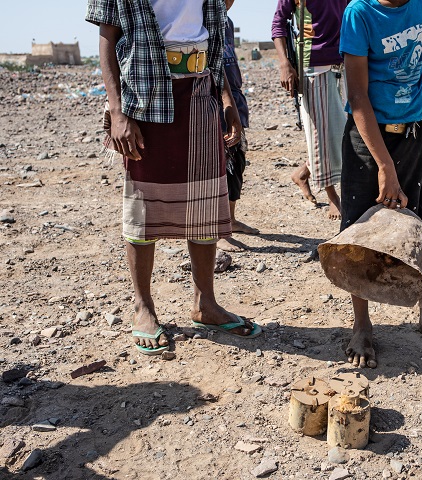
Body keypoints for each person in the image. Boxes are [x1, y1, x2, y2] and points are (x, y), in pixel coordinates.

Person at [87, 0, 261, 355]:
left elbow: (213, 36)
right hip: (146, 98)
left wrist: (227, 98)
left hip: (200, 92)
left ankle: (205, 304)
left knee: (205, 204)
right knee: (144, 206)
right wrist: (118, 111)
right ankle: (144, 307)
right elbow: (108, 37)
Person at [339, 0, 422, 368]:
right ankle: (362, 326)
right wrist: (384, 166)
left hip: (412, 134)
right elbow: (358, 95)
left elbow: (419, 67)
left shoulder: (421, 5)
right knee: (358, 233)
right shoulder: (359, 13)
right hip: (369, 140)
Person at [271, 0, 348, 220]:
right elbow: (278, 22)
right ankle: (333, 197)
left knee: (344, 132)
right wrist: (285, 63)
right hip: (313, 66)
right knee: (320, 135)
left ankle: (303, 173)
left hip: (346, 61)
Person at [217, 0, 259, 253]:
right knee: (220, 165)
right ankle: (219, 229)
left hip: (235, 99)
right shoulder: (202, 19)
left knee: (237, 162)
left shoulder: (227, 22)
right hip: (216, 101)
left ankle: (231, 220)